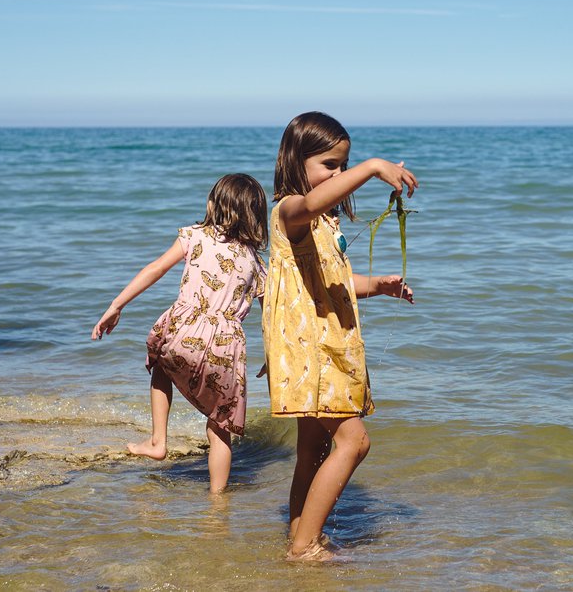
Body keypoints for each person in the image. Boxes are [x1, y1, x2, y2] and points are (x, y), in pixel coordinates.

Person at [262, 111, 418, 561]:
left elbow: (335, 281)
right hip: (310, 351)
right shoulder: (289, 211)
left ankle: (299, 535)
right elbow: (309, 205)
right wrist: (370, 167)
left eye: (343, 165)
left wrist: (378, 286)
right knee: (355, 442)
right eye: (330, 165)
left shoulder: (329, 226)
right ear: (296, 161)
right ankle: (305, 547)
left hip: (330, 347)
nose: (339, 174)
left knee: (314, 447)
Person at [91, 173, 268, 494]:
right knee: (220, 426)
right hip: (228, 346)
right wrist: (273, 355)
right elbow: (271, 313)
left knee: (162, 363)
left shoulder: (195, 236)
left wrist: (116, 305)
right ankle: (218, 500)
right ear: (256, 216)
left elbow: (155, 268)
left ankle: (158, 440)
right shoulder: (256, 263)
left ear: (214, 204)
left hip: (187, 326)